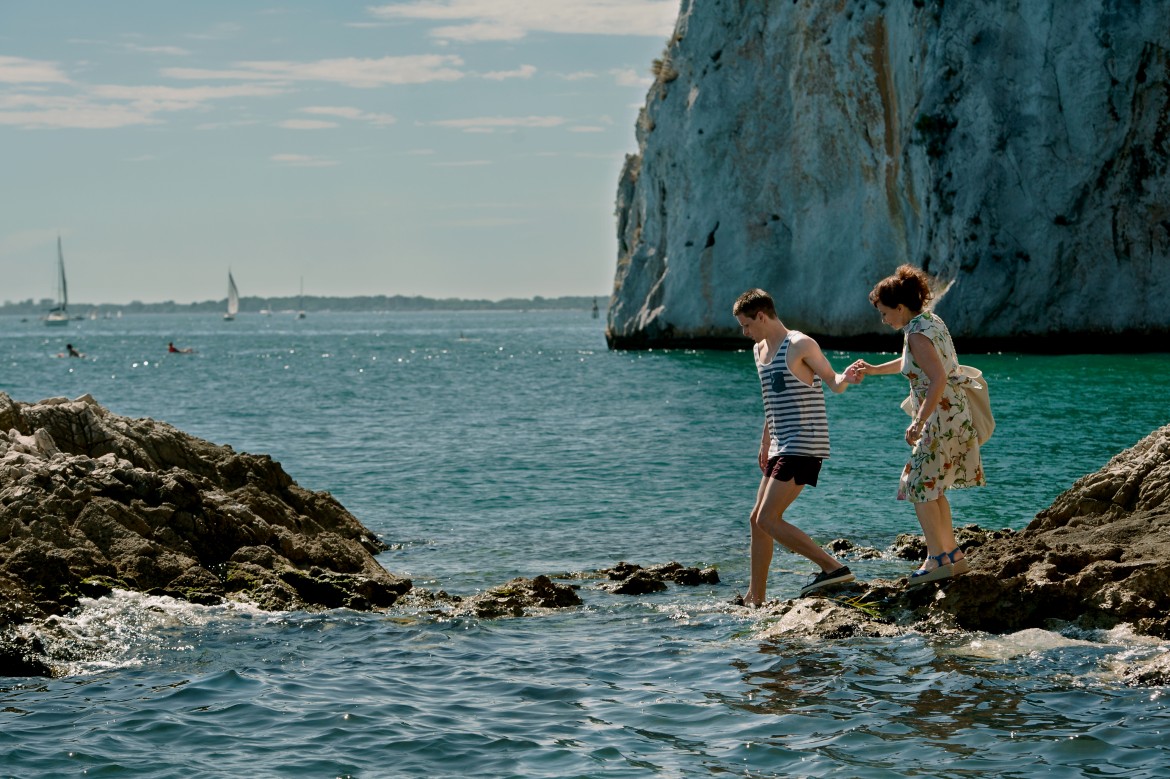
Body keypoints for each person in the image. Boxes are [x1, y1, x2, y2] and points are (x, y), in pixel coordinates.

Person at [848, 265, 985, 585]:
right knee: (933, 487)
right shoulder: (928, 321)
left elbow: (936, 377)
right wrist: (872, 369)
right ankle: (953, 556)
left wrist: (919, 422)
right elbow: (914, 362)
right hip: (953, 415)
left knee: (917, 486)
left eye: (884, 313)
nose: (883, 320)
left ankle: (936, 558)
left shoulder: (916, 333)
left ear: (899, 308)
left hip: (938, 419)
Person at [732, 288, 859, 604]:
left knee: (767, 519)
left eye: (746, 325)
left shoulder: (800, 345)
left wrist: (849, 376)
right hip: (779, 444)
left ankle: (832, 567)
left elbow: (833, 381)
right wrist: (765, 442)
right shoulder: (760, 350)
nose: (744, 332)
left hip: (804, 445)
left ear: (762, 316)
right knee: (756, 520)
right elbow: (771, 401)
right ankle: (755, 596)